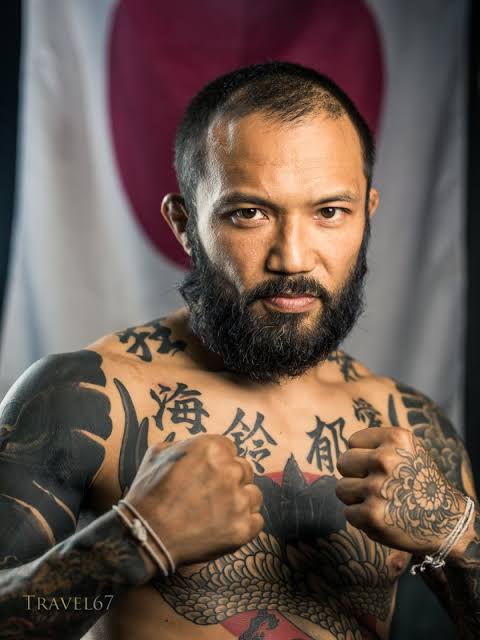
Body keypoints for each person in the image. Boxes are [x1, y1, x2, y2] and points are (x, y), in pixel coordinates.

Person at [0, 61, 478, 640]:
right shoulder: (88, 398)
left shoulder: (409, 421)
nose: (293, 257)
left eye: (330, 212)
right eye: (249, 213)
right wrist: (134, 541)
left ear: (366, 215)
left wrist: (456, 536)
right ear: (185, 224)